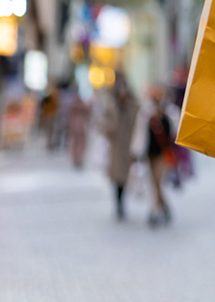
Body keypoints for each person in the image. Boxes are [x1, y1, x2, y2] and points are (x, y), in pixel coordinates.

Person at [100, 74, 139, 221]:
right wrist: (107, 128)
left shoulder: (134, 105)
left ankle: (122, 202)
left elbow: (139, 123)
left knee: (127, 177)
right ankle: (119, 204)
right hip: (116, 146)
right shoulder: (111, 106)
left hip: (129, 146)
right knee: (117, 178)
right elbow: (103, 122)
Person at [142, 84, 173, 227]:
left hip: (162, 154)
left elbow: (173, 133)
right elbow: (140, 135)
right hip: (150, 154)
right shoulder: (146, 114)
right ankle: (165, 207)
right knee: (154, 183)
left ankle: (153, 212)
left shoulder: (169, 114)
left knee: (158, 183)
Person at [66, 86, 92, 169]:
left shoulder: (77, 105)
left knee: (78, 143)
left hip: (79, 126)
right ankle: (77, 158)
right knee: (78, 143)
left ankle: (78, 158)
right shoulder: (78, 105)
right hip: (78, 126)